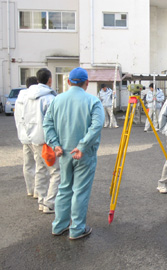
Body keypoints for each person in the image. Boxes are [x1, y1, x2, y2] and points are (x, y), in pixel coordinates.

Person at [43, 67, 104, 239]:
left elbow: (47, 124)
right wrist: (83, 146)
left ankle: (59, 225)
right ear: (87, 83)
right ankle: (77, 229)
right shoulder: (93, 101)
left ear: (68, 82)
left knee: (64, 188)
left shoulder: (57, 100)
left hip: (63, 152)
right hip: (84, 154)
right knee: (80, 191)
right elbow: (97, 126)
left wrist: (55, 144)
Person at [21, 69, 61, 214]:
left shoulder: (27, 97)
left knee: (40, 169)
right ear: (50, 80)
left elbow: (23, 118)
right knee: (56, 172)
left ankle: (41, 200)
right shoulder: (49, 98)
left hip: (34, 139)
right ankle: (50, 203)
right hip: (48, 140)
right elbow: (54, 122)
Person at [14, 76, 38, 198]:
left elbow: (18, 117)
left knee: (28, 164)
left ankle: (30, 189)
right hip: (35, 136)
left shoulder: (19, 99)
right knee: (40, 165)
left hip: (23, 136)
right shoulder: (35, 97)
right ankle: (38, 192)